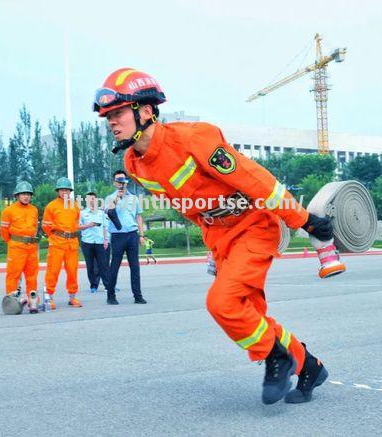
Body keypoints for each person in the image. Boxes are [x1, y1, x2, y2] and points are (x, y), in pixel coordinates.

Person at [93, 68, 346, 405]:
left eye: (118, 112)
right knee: (250, 314)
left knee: (222, 303)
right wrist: (211, 241)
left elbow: (257, 181)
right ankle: (309, 366)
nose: (111, 121)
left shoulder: (195, 139)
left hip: (253, 225)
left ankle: (277, 358)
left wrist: (303, 220)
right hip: (219, 235)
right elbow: (189, 203)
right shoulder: (134, 162)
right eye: (108, 116)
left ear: (147, 110)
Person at [42, 177, 96, 309]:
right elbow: (46, 226)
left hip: (72, 243)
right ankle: (49, 297)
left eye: (67, 190)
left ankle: (72, 297)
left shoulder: (75, 206)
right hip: (57, 243)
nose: (64, 192)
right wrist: (56, 236)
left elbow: (77, 224)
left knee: (72, 271)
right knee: (53, 271)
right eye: (62, 190)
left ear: (70, 191)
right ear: (58, 191)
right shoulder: (51, 206)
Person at [104, 170, 147, 305]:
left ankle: (138, 296)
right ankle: (111, 296)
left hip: (132, 235)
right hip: (117, 236)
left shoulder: (134, 198)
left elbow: (138, 216)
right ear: (114, 182)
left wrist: (141, 235)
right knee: (114, 266)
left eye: (122, 179)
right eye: (118, 180)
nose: (121, 182)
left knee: (135, 267)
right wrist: (118, 198)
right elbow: (108, 211)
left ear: (126, 181)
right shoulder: (110, 198)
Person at [0, 181, 40, 311]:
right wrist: (14, 242)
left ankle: (32, 300)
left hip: (31, 247)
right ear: (17, 195)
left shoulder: (34, 210)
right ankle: (12, 301)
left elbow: (35, 228)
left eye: (28, 194)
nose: (26, 196)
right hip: (16, 247)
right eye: (23, 194)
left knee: (32, 275)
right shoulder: (8, 211)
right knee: (13, 275)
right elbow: (4, 232)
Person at [79, 191, 111, 294]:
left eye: (93, 198)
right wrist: (89, 225)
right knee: (90, 265)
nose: (91, 201)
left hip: (100, 241)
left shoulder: (101, 213)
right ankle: (93, 285)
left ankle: (108, 285)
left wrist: (106, 240)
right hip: (87, 242)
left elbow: (105, 227)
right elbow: (78, 227)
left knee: (104, 264)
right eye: (89, 199)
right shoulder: (82, 213)